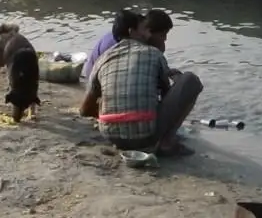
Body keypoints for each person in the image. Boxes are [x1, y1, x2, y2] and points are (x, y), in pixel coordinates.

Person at [79, 16, 203, 156]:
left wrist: (113, 117)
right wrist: (178, 81)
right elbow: (167, 96)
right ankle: (167, 142)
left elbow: (85, 110)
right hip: (145, 135)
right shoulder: (153, 53)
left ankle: (122, 126)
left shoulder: (103, 58)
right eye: (145, 30)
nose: (149, 34)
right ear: (132, 32)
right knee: (190, 80)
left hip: (111, 135)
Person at [82, 9, 140, 81]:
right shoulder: (115, 48)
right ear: (131, 31)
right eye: (140, 29)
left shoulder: (113, 36)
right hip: (95, 79)